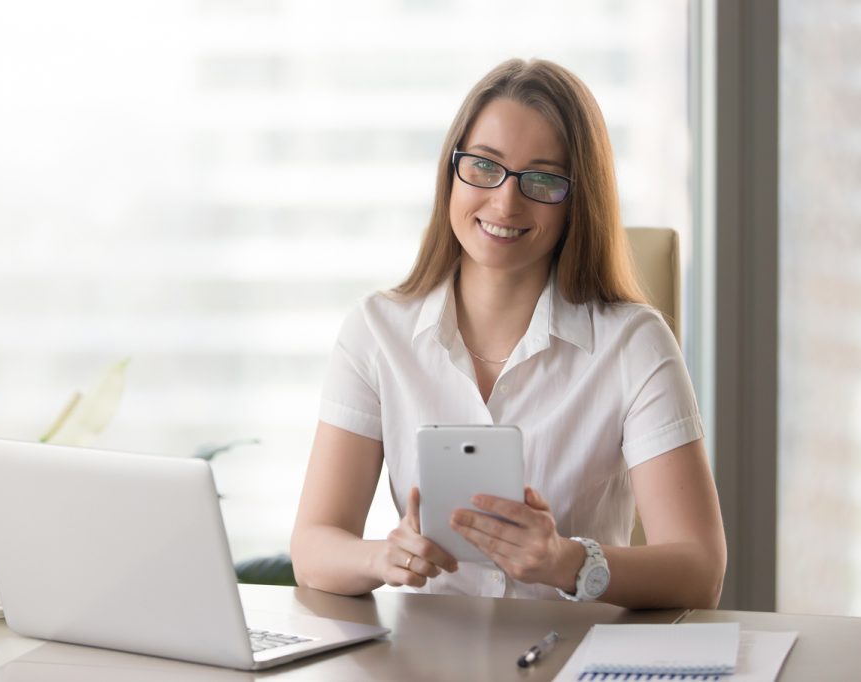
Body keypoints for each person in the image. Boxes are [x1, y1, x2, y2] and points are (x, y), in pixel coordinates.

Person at [290, 58, 726, 609]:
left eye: (543, 179)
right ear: (452, 170)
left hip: (574, 659)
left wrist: (568, 562)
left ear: (577, 200)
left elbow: (699, 570)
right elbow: (312, 548)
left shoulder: (634, 343)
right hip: (425, 661)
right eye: (484, 166)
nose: (505, 201)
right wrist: (383, 557)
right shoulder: (377, 332)